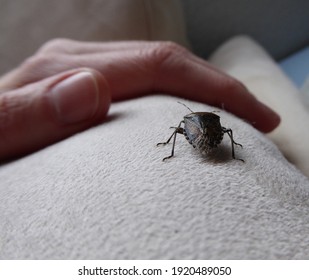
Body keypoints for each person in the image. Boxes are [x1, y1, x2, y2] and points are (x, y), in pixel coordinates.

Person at [0, 39, 280, 161]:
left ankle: (170, 151)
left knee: (176, 131)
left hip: (201, 131)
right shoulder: (212, 121)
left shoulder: (186, 123)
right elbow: (224, 130)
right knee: (225, 131)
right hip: (215, 136)